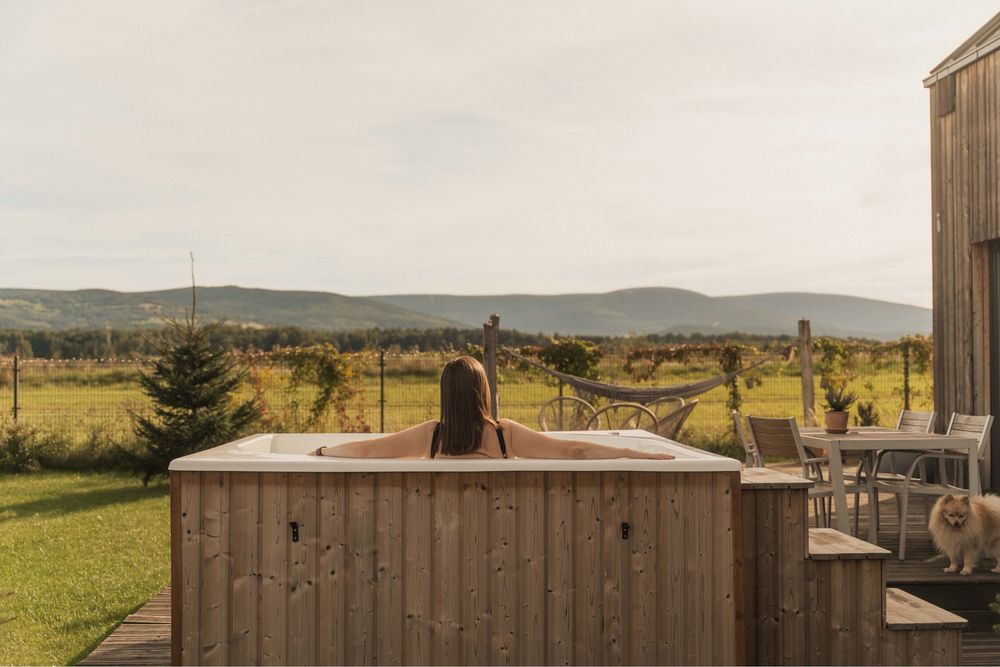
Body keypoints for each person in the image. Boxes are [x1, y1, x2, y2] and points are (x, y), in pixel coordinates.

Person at [313, 355, 673, 460]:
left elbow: (368, 450)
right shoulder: (505, 436)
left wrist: (322, 451)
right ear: (481, 391)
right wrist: (632, 453)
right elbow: (572, 450)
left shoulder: (431, 436)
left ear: (446, 394)